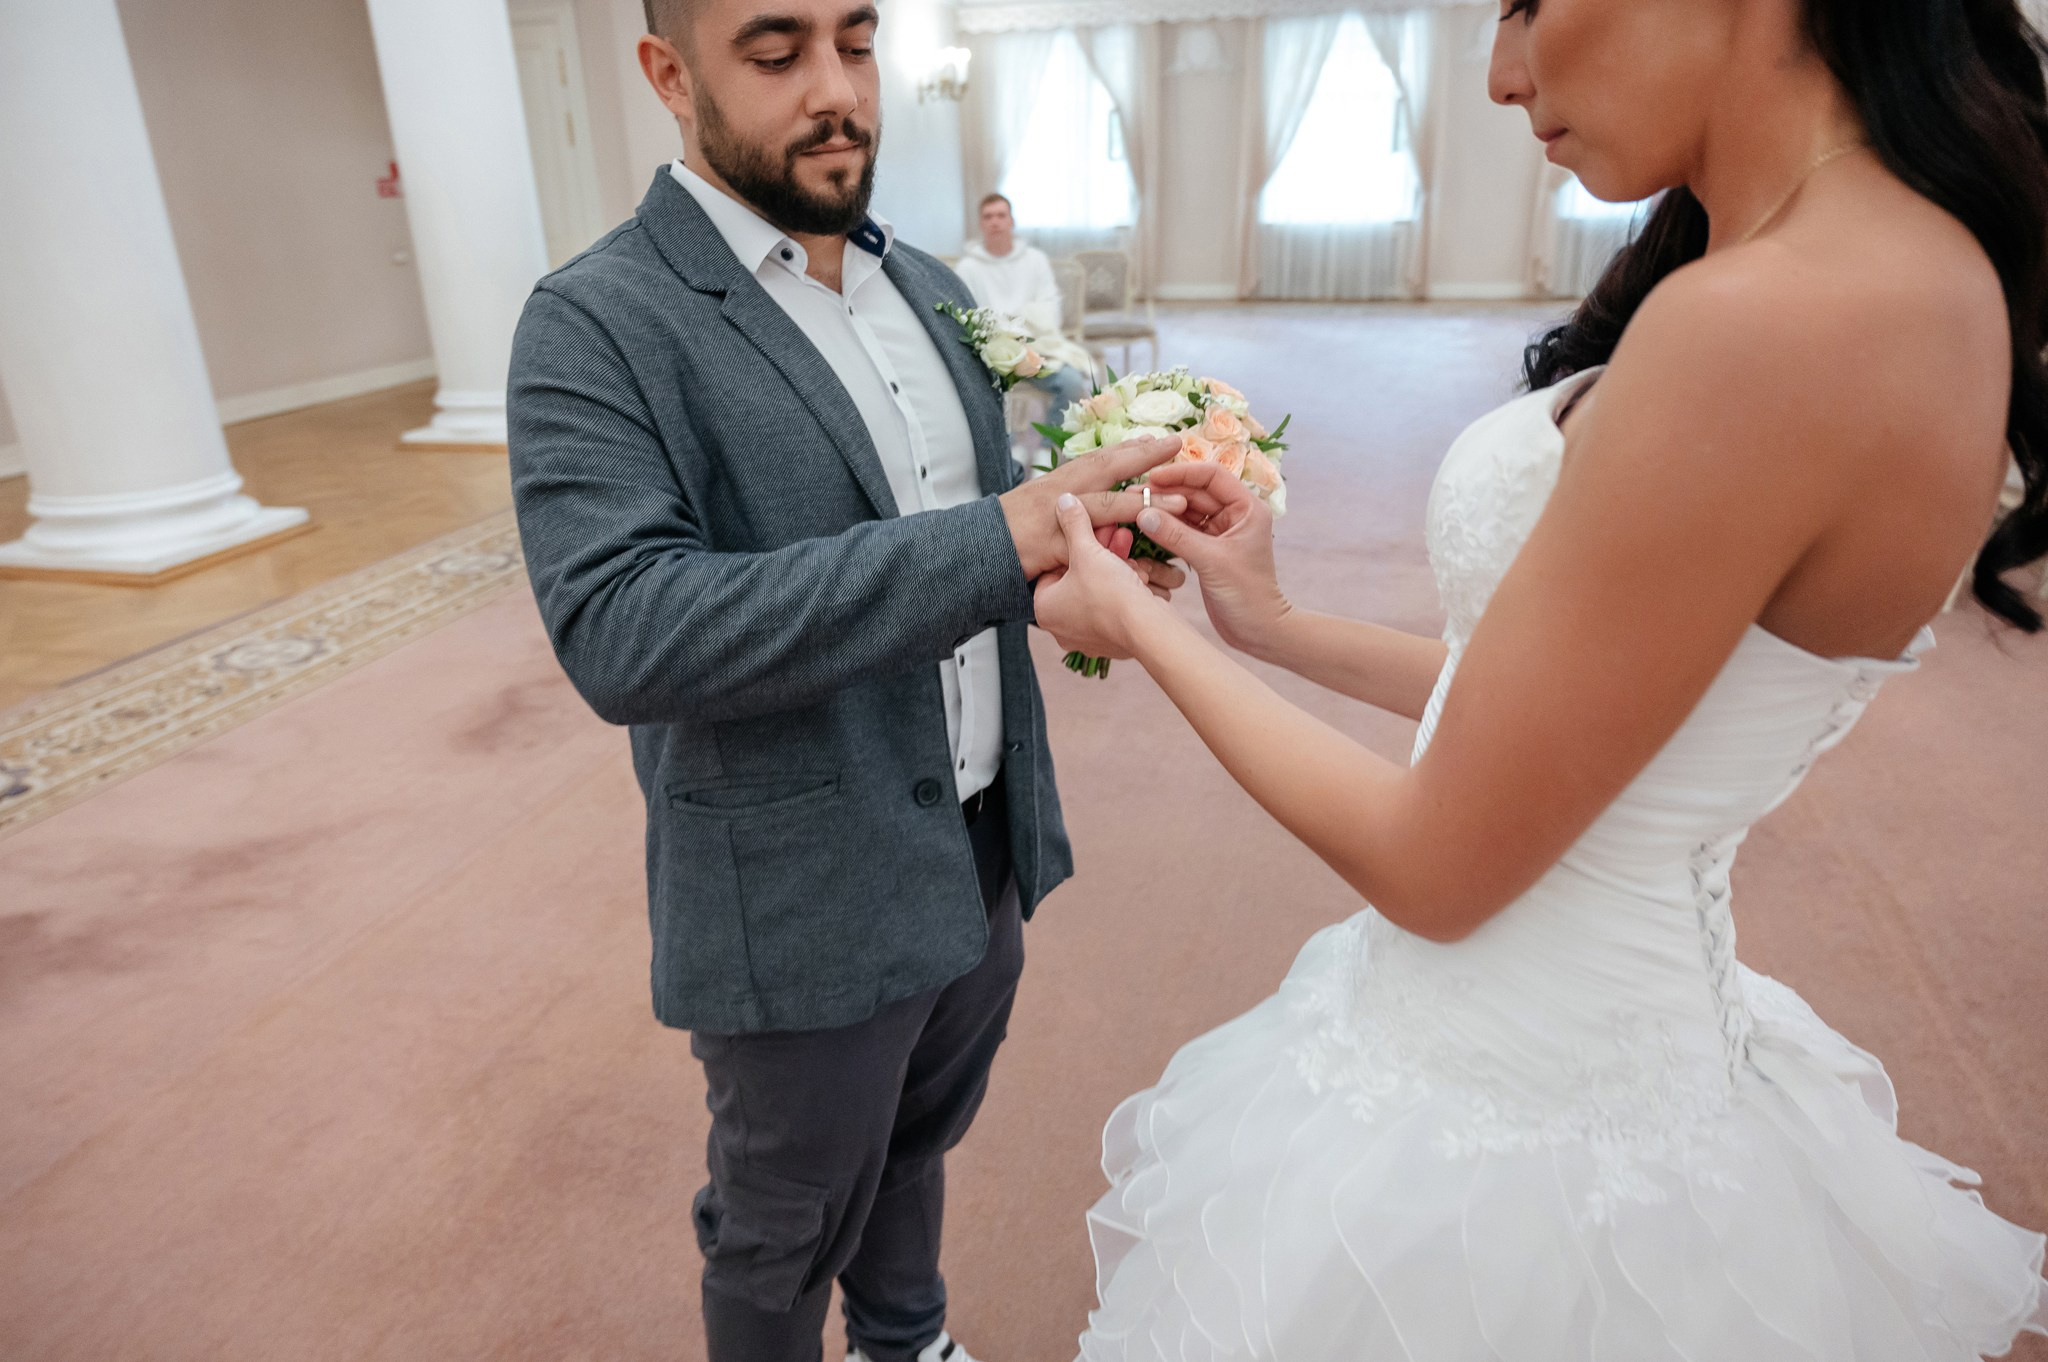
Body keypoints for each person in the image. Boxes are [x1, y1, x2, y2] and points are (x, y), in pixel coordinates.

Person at [1032, 0, 2048, 1355]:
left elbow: (1438, 866)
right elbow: (1586, 707)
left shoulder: (1775, 316)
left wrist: (1135, 622)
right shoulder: (1892, 267)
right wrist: (1271, 624)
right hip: (1606, 1044)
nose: (1502, 76)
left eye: (1522, 2)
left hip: (1527, 1119)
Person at [502, 3, 1184, 1361]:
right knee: (780, 1223)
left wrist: (1085, 555)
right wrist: (998, 540)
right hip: (801, 885)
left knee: (916, 1141)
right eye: (776, 54)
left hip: (981, 840)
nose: (838, 91)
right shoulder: (595, 319)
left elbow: (966, 530)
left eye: (858, 44)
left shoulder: (927, 285)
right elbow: (625, 629)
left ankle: (904, 1338)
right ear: (668, 73)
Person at [955, 193, 1093, 433]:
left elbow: (1049, 305)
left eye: (1001, 215)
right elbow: (966, 314)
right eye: (988, 217)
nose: (995, 222)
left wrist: (1021, 335)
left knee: (1071, 382)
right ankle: (1007, 449)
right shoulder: (968, 268)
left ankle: (1048, 446)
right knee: (978, 394)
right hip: (990, 356)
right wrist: (1001, 338)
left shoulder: (1035, 260)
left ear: (1012, 221)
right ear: (980, 224)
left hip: (1035, 349)